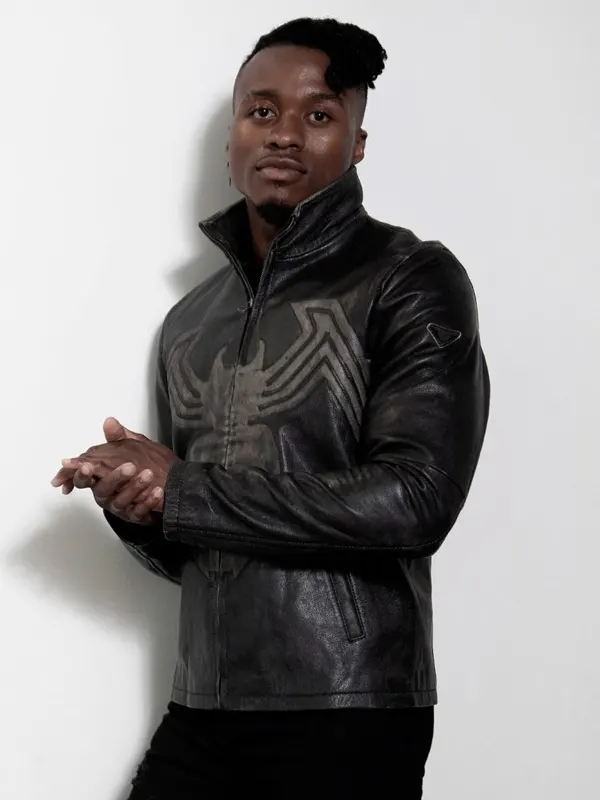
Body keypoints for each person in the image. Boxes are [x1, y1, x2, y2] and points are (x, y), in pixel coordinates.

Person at [51, 16, 490, 799]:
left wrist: (185, 487)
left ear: (357, 143)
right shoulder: (190, 323)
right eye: (261, 111)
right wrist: (142, 507)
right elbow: (203, 549)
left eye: (319, 114)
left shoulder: (410, 278)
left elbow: (417, 499)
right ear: (231, 141)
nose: (284, 133)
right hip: (205, 702)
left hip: (349, 706)